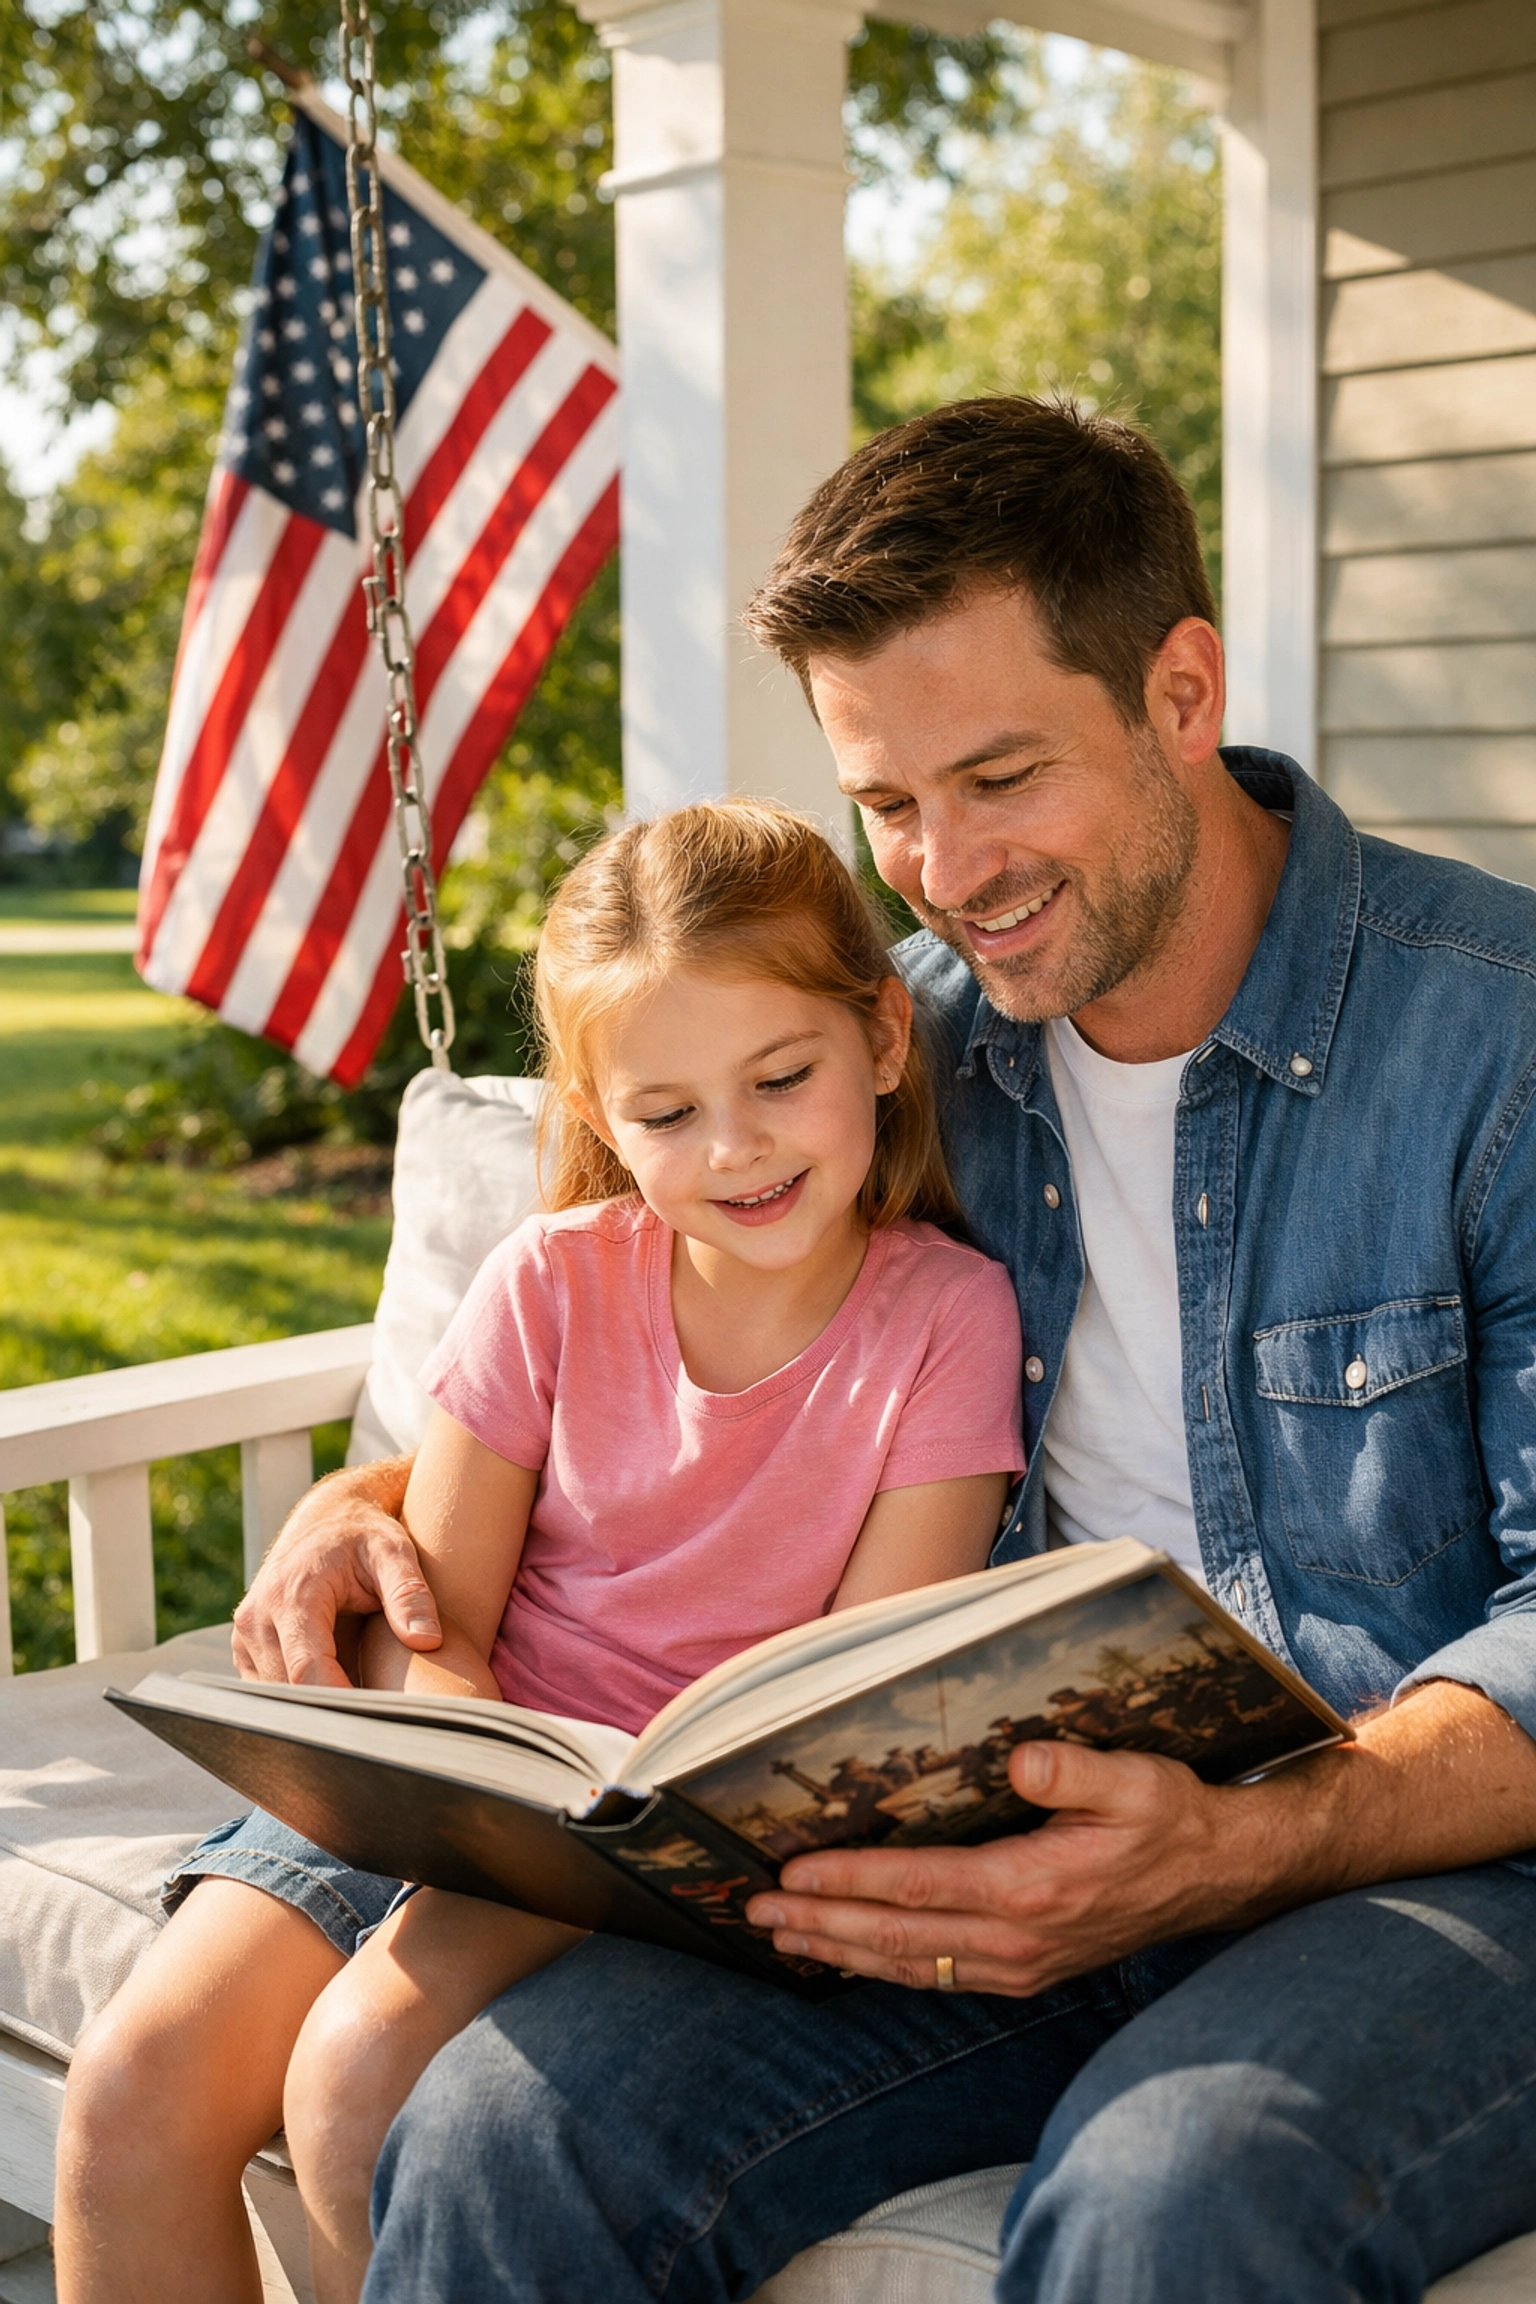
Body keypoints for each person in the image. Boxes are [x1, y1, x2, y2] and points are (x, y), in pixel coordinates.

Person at [163, 396, 1536, 2302]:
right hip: (1005, 1827)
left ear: (1181, 687)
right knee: (494, 2136)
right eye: (888, 803)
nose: (949, 872)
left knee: (1168, 2204)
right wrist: (382, 1492)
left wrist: (1245, 1847)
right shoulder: (906, 1042)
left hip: (1432, 1861)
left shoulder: (1497, 1041)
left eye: (999, 776)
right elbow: (646, 1306)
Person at [53, 802, 1027, 2304]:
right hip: (461, 1769)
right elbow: (439, 1611)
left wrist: (586, 1833)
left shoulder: (944, 1321)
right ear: (595, 1108)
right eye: (666, 1113)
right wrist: (475, 1786)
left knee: (359, 2077)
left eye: (782, 1078)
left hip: (674, 1834)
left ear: (885, 1039)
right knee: (133, 2089)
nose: (736, 1146)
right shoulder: (554, 1283)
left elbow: (856, 1687)